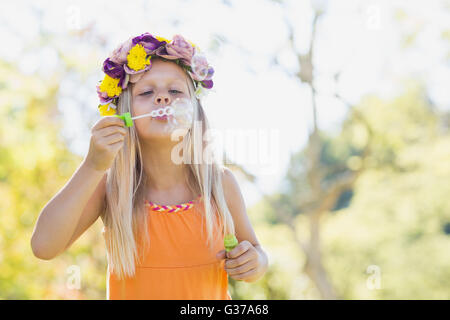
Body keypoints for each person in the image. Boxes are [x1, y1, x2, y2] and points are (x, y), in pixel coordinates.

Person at [31, 32, 268, 300]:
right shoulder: (111, 187)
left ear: (196, 111)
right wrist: (92, 166)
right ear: (125, 114)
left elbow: (256, 251)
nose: (163, 98)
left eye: (175, 91)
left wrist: (255, 262)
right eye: (147, 92)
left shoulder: (220, 184)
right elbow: (43, 246)